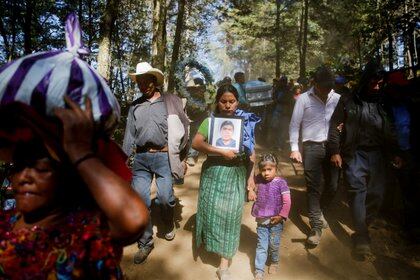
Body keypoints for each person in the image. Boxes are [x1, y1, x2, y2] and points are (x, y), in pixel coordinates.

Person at [0, 14, 149, 278]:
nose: (23, 177)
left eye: (41, 167)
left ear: (71, 173)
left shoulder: (83, 230)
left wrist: (80, 151)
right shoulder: (7, 222)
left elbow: (133, 218)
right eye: (18, 166)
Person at [328, 61, 402, 259]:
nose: (377, 86)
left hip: (378, 155)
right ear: (366, 80)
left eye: (380, 82)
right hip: (354, 154)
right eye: (374, 82)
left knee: (377, 193)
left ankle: (363, 223)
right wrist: (335, 151)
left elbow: (391, 128)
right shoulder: (348, 100)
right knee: (356, 192)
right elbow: (335, 125)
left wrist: (395, 152)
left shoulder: (384, 102)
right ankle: (361, 236)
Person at [122, 61, 190, 264]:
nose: (143, 85)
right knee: (141, 201)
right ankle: (145, 242)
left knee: (165, 198)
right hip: (141, 159)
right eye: (140, 82)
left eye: (146, 81)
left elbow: (185, 130)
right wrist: (122, 163)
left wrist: (184, 157)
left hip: (163, 157)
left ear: (154, 81)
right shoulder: (135, 106)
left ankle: (168, 222)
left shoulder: (170, 102)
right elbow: (128, 137)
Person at [192, 84, 260, 280]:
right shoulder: (210, 121)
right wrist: (221, 151)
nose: (228, 105)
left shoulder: (245, 122)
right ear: (217, 102)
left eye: (232, 101)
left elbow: (252, 153)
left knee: (231, 217)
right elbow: (196, 143)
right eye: (224, 101)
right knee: (212, 212)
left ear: (237, 102)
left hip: (236, 175)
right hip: (214, 173)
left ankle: (223, 265)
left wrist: (250, 177)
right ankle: (211, 243)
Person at [289, 65, 340, 246]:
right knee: (313, 186)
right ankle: (316, 226)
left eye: (329, 86)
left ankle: (320, 211)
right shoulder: (303, 99)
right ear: (314, 83)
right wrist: (295, 148)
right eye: (323, 86)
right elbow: (295, 124)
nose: (327, 90)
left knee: (333, 185)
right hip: (311, 147)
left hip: (334, 148)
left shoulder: (337, 98)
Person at [251, 154, 291, 280]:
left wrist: (281, 215)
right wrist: (250, 189)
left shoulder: (281, 183)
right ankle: (259, 270)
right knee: (261, 245)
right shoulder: (258, 179)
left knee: (274, 244)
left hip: (276, 221)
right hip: (262, 220)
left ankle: (274, 261)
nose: (266, 173)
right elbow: (250, 180)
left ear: (276, 168)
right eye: (263, 170)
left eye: (270, 170)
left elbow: (287, 201)